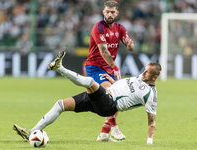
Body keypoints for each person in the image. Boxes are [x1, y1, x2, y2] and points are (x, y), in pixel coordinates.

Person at [13, 51, 161, 145]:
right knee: (60, 105)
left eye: (147, 72)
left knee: (90, 82)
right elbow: (126, 91)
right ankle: (31, 132)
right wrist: (112, 81)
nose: (143, 72)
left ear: (154, 77)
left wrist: (149, 141)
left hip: (108, 105)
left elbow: (151, 120)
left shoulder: (150, 94)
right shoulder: (140, 78)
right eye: (145, 69)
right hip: (102, 97)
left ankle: (59, 68)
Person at [85, 0, 134, 141]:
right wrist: (115, 67)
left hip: (109, 68)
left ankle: (104, 133)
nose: (110, 14)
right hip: (95, 67)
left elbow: (130, 46)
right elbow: (103, 51)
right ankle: (114, 127)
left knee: (118, 98)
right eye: (107, 11)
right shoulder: (98, 28)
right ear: (103, 12)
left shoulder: (120, 29)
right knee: (110, 94)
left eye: (112, 12)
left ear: (117, 13)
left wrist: (130, 45)